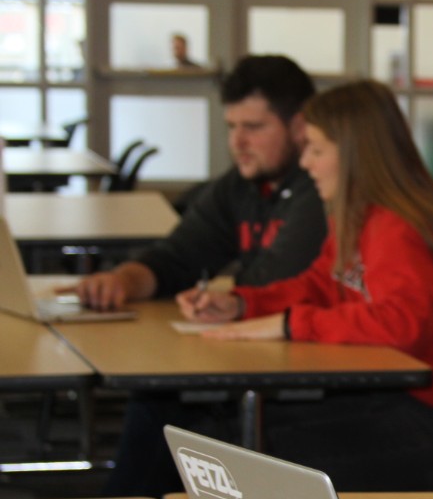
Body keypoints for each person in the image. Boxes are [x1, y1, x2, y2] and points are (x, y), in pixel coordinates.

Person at [149, 78, 433, 493]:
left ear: (357, 156)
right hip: (402, 400)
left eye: (316, 150)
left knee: (231, 455)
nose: (305, 163)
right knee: (209, 438)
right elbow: (321, 283)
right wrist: (242, 304)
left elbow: (403, 324)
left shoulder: (398, 227)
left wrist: (290, 324)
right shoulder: (358, 214)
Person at [75, 55, 326, 311]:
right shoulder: (240, 185)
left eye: (253, 127)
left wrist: (227, 300)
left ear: (299, 126)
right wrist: (122, 281)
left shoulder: (323, 187)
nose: (237, 143)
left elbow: (274, 284)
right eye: (231, 127)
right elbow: (178, 258)